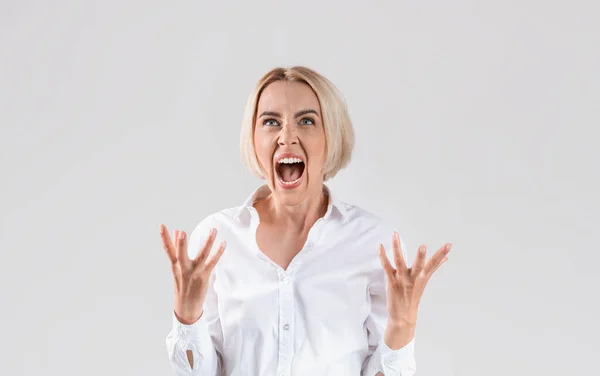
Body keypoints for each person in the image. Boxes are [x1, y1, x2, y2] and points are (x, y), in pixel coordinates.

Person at [160, 66, 452, 376]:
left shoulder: (373, 242)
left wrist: (401, 326)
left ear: (331, 137)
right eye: (271, 122)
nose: (287, 137)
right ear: (254, 139)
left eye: (307, 121)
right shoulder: (216, 239)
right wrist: (187, 317)